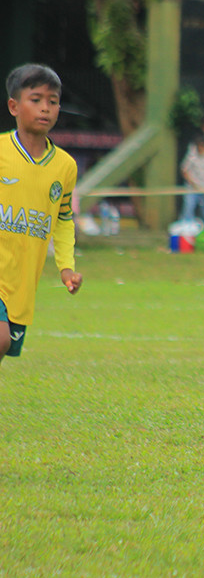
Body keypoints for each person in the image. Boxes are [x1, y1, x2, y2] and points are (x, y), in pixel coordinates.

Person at [1, 64, 83, 366]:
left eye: (52, 101)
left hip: (21, 280)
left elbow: (62, 220)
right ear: (14, 106)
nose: (45, 108)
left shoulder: (64, 166)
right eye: (35, 100)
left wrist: (66, 267)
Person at [180, 133, 204, 225]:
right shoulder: (191, 156)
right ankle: (186, 230)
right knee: (188, 208)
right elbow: (184, 171)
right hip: (192, 188)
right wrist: (193, 183)